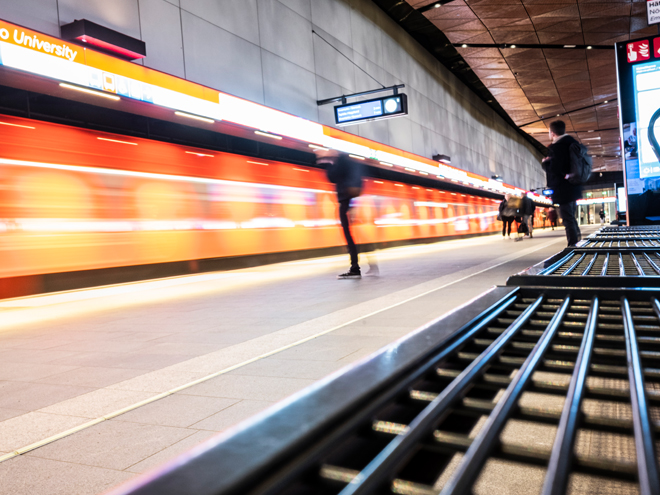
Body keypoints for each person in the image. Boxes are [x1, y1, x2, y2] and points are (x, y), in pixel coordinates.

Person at [315, 149, 364, 279]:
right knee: (352, 235)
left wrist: (326, 162)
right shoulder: (348, 161)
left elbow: (332, 177)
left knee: (349, 235)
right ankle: (357, 266)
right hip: (349, 200)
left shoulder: (342, 162)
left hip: (346, 201)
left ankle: (355, 268)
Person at [542, 120, 582, 247]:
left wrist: (546, 163)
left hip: (564, 189)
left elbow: (555, 169)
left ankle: (573, 246)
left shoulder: (558, 147)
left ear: (552, 133)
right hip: (574, 186)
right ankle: (578, 243)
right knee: (571, 217)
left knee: (567, 219)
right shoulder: (573, 143)